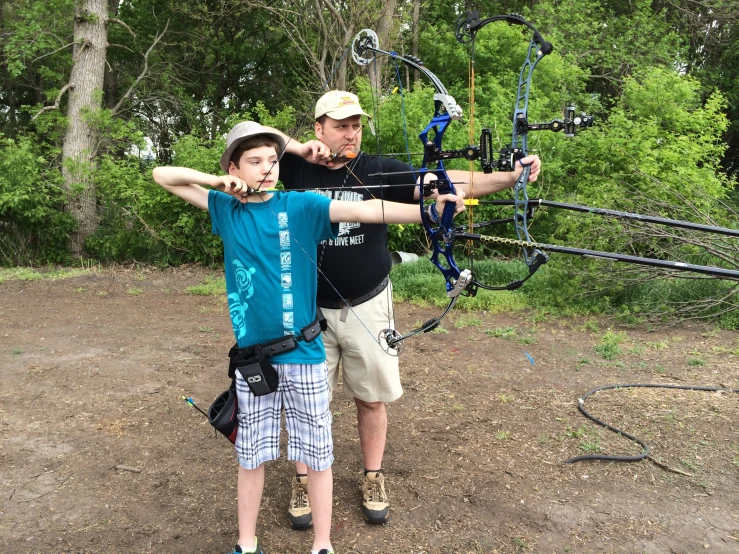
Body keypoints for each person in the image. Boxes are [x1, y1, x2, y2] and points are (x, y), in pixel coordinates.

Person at [151, 121, 465, 554]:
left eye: (273, 160)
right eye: (254, 161)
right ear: (233, 167)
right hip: (253, 360)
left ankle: (322, 545)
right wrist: (216, 182)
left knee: (318, 456)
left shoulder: (303, 205)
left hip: (304, 352)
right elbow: (162, 175)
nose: (266, 168)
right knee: (252, 457)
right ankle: (246, 543)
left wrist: (430, 212)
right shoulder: (225, 208)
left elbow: (365, 210)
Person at [262, 90, 542, 528]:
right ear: (319, 128)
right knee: (304, 402)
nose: (350, 133)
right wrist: (297, 147)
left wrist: (510, 176)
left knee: (371, 398)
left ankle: (372, 475)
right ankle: (304, 478)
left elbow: (450, 182)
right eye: (340, 125)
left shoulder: (379, 169)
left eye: (355, 124)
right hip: (306, 309)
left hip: (368, 303)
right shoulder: (292, 166)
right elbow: (249, 137)